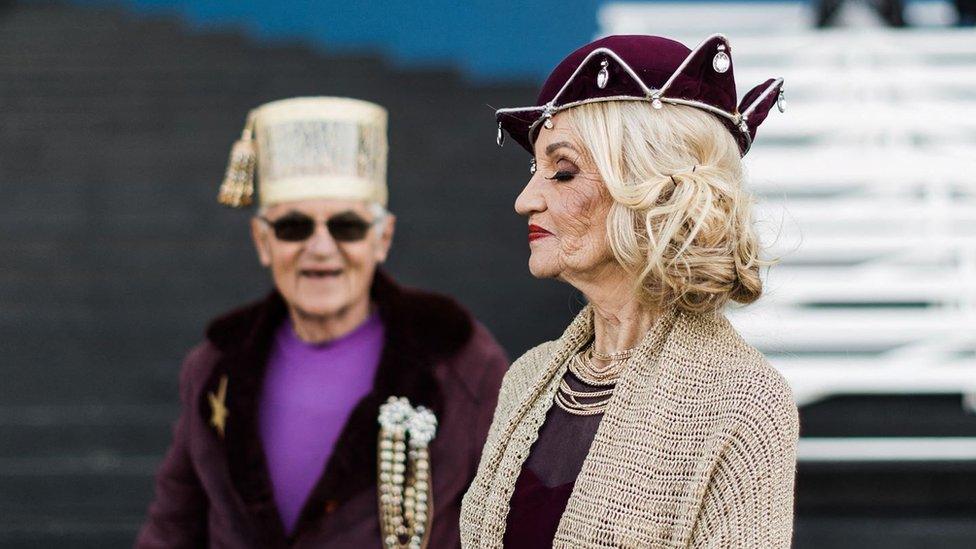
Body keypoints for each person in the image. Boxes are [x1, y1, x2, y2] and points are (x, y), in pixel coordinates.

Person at [461, 35, 799, 548]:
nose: (525, 200)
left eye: (563, 171)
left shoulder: (745, 400)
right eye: (536, 170)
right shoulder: (526, 378)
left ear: (652, 189)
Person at [137, 97, 509, 548]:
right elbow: (174, 526)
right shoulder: (216, 366)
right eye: (293, 227)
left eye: (346, 227)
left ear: (382, 238)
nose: (320, 248)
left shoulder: (459, 358)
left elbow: (507, 519)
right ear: (262, 240)